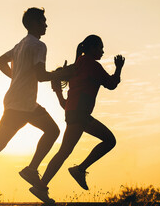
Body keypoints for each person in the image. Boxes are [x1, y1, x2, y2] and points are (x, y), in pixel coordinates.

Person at [0, 7, 73, 205]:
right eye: (42, 21)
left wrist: (16, 77)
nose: (46, 24)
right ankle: (30, 170)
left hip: (15, 101)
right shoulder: (39, 45)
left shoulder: (20, 45)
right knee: (52, 131)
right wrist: (61, 74)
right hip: (24, 105)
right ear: (33, 23)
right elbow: (41, 76)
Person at [29, 35, 125, 203]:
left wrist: (59, 96)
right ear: (92, 48)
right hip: (79, 114)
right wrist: (118, 68)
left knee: (67, 150)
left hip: (74, 112)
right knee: (106, 141)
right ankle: (55, 180)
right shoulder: (92, 66)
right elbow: (111, 84)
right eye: (100, 48)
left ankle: (55, 180)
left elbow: (61, 85)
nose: (102, 51)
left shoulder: (77, 65)